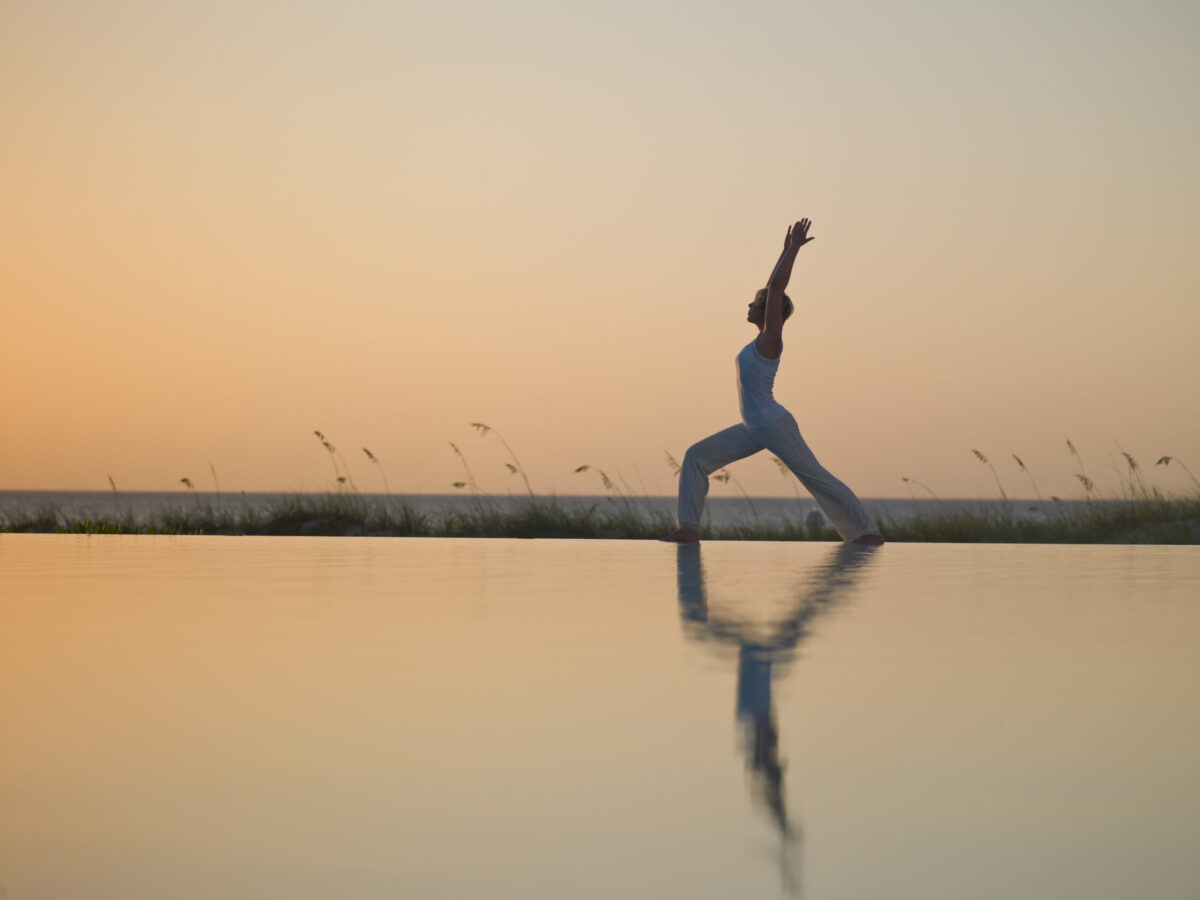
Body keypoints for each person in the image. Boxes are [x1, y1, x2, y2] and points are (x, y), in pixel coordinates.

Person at [661, 219, 884, 545]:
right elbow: (773, 291)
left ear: (768, 311)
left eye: (755, 303)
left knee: (816, 478)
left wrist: (792, 250)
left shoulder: (771, 340)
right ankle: (688, 529)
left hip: (774, 424)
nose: (748, 306)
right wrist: (784, 251)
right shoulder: (756, 344)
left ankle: (867, 533)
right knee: (696, 456)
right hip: (753, 428)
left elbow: (776, 288)